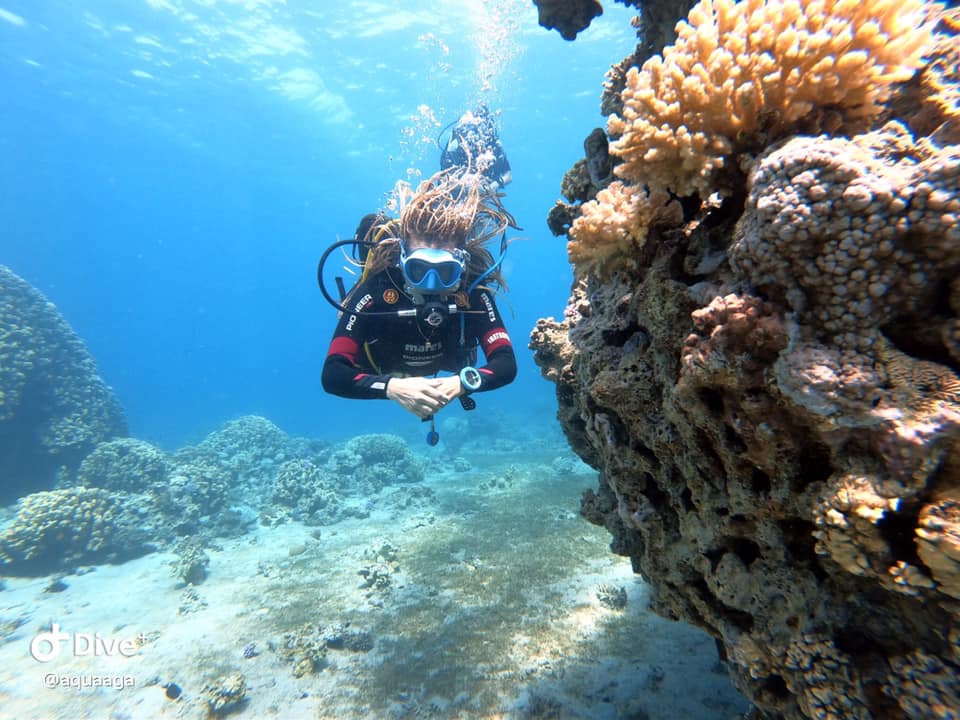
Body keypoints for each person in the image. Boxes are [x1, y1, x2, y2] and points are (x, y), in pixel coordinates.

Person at [321, 169, 517, 420]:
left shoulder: (472, 293)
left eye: (445, 272)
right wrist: (392, 388)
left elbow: (506, 362)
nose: (431, 284)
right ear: (403, 261)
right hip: (382, 367)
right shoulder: (378, 289)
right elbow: (333, 373)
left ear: (461, 265)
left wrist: (463, 383)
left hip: (450, 365)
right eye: (418, 270)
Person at [440, 104, 512, 191]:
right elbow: (443, 178)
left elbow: (508, 175)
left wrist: (495, 185)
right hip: (457, 191)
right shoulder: (457, 141)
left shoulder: (493, 144)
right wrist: (464, 184)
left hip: (485, 193)